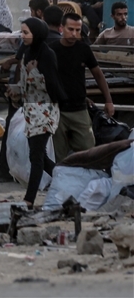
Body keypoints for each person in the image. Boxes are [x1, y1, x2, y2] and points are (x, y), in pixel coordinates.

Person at [13, 18, 63, 208]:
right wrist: (16, 90)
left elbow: (51, 84)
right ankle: (67, 178)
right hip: (31, 111)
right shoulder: (27, 53)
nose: (22, 36)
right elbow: (25, 83)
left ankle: (29, 199)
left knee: (36, 156)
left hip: (45, 112)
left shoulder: (47, 54)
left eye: (26, 32)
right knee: (39, 155)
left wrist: (34, 73)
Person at [50, 13, 115, 159]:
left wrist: (108, 100)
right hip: (57, 110)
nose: (74, 34)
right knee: (58, 155)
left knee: (89, 151)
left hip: (79, 110)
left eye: (78, 30)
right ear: (61, 28)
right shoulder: (51, 50)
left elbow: (98, 74)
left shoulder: (83, 49)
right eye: (70, 29)